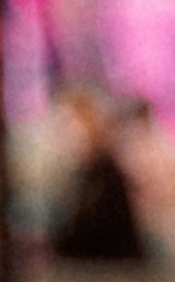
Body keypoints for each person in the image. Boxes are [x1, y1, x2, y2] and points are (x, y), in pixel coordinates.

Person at [51, 84, 147, 263]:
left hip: (108, 280)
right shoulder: (88, 173)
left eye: (69, 124)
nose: (63, 133)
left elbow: (91, 235)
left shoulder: (104, 175)